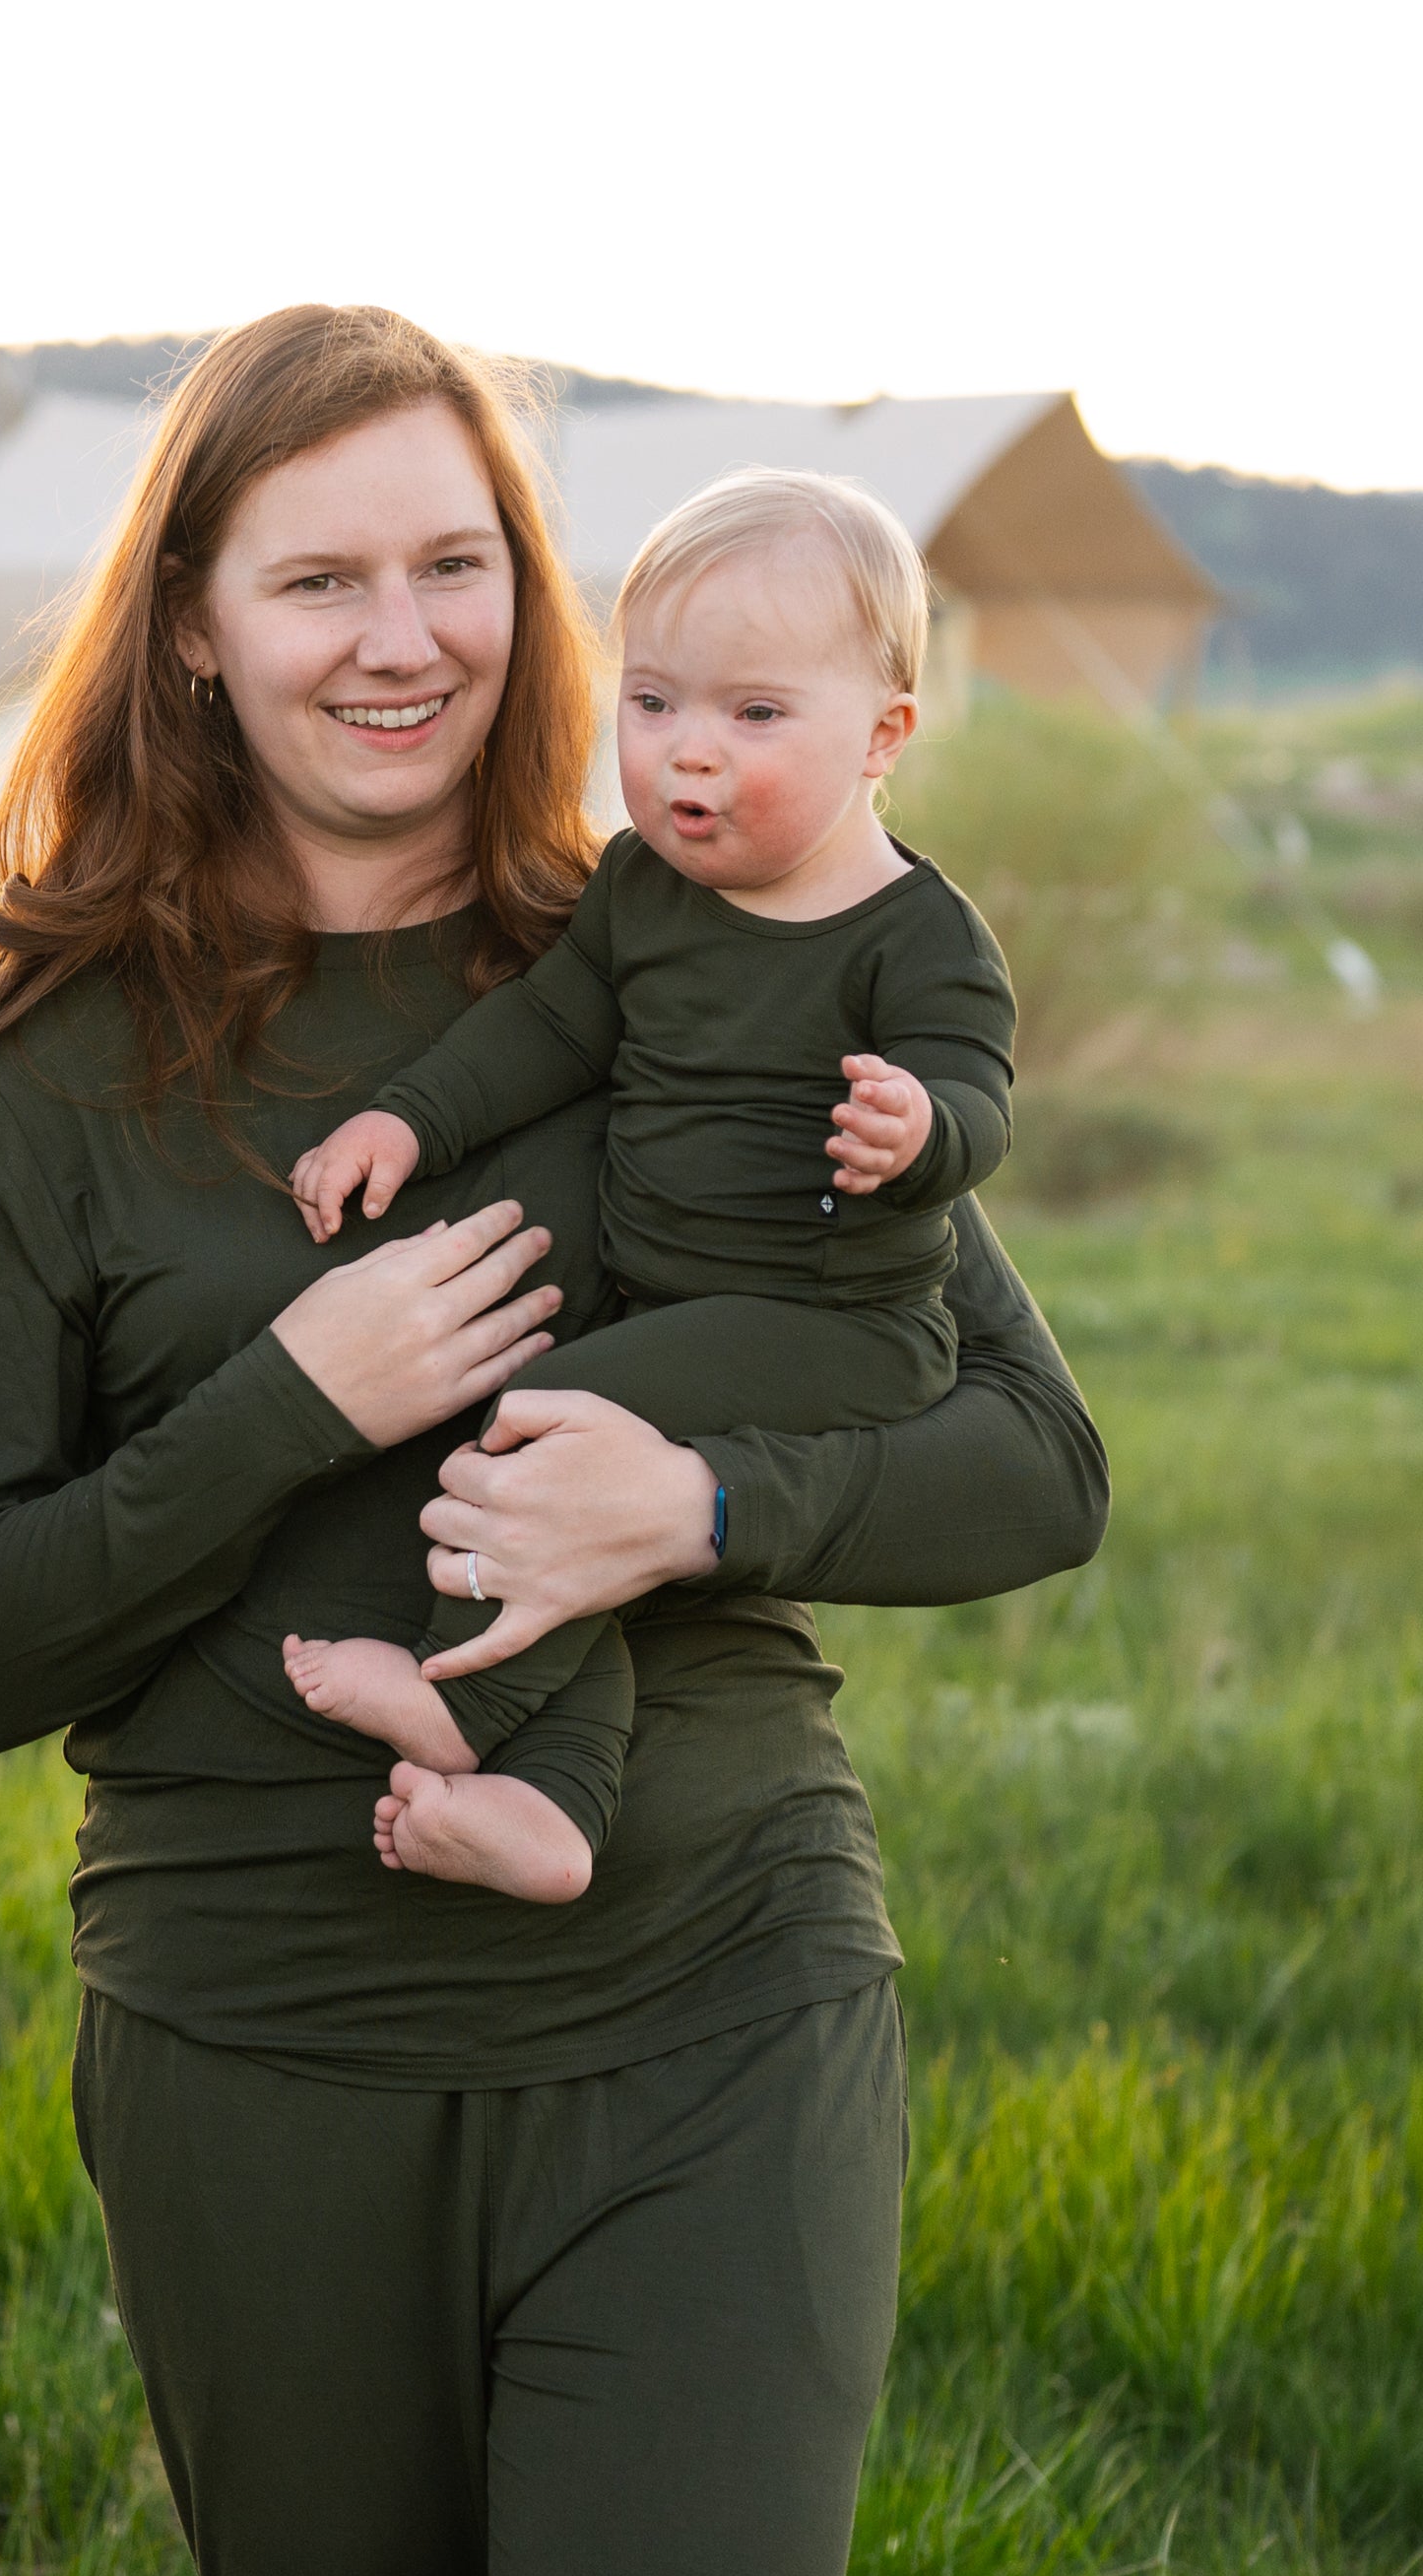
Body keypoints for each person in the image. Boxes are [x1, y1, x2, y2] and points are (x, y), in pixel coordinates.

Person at [0, 307, 1102, 2576]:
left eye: (454, 562)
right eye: (319, 574)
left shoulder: (708, 937)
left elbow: (1033, 1463)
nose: (400, 632)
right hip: (265, 2039)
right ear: (191, 619)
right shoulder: (41, 1079)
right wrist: (296, 1400)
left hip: (709, 1990)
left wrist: (705, 1502)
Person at [278, 467, 1018, 1902]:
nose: (690, 755)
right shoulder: (645, 890)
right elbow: (553, 1029)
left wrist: (917, 1130)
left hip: (829, 1322)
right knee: (583, 1514)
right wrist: (405, 1123)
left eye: (755, 716)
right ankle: (552, 1808)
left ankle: (464, 1709)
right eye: (655, 702)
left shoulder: (915, 936)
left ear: (884, 737)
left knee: (536, 1430)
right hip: (692, 1301)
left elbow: (978, 1102)